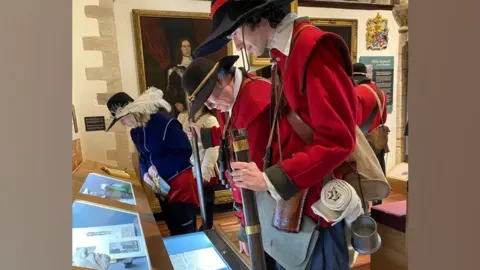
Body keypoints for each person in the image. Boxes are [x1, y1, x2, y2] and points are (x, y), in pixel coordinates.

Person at [194, 1, 358, 269]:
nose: (237, 45)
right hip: (297, 211)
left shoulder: (312, 48)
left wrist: (269, 179)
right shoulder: (287, 54)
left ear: (256, 18)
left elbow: (338, 140)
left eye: (236, 33)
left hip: (316, 217)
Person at [181, 55, 272, 255]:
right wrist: (202, 134)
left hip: (268, 205)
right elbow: (227, 137)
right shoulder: (230, 101)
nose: (210, 107)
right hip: (257, 201)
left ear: (221, 80)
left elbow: (249, 172)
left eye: (208, 98)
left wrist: (245, 226)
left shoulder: (255, 101)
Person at [105, 88, 199, 236]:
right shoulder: (135, 132)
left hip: (179, 183)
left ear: (131, 112)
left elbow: (184, 151)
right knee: (172, 226)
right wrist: (144, 174)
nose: (123, 124)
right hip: (161, 185)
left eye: (123, 120)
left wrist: (158, 169)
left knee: (184, 228)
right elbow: (143, 157)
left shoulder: (163, 121)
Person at [180, 104, 220, 230]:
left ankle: (207, 228)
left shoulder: (210, 119)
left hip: (203, 164)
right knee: (189, 204)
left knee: (206, 201)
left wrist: (205, 171)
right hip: (188, 167)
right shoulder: (182, 117)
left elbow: (213, 148)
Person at [352, 62, 388, 174]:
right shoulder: (381, 93)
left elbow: (355, 123)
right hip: (377, 143)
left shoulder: (356, 92)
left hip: (363, 144)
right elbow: (384, 118)